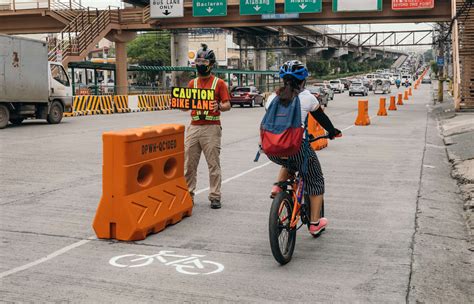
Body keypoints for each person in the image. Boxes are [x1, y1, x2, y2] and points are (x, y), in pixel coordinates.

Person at [265, 60, 341, 236]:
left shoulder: (271, 97)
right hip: (298, 148)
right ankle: (315, 224)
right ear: (303, 81)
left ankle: (277, 188)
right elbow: (322, 119)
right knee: (316, 180)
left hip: (272, 149)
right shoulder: (307, 97)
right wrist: (332, 131)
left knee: (288, 158)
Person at [184, 44, 231, 209]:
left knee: (213, 164)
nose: (200, 64)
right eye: (198, 61)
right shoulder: (192, 83)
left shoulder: (219, 84)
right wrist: (179, 102)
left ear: (211, 64)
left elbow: (227, 105)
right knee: (189, 164)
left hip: (211, 128)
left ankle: (215, 196)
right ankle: (188, 195)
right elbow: (185, 105)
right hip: (194, 127)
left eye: (204, 61)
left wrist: (218, 106)